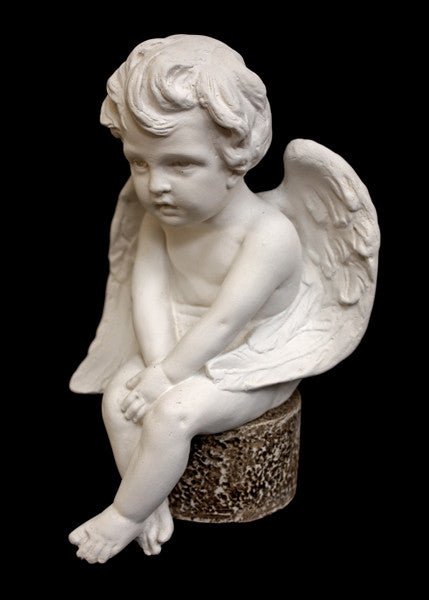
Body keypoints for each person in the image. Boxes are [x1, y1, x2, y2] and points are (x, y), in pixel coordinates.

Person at [69, 34, 302, 563]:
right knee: (118, 400)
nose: (156, 186)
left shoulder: (268, 235)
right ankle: (148, 504)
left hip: (251, 361)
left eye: (181, 164)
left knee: (172, 414)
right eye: (139, 163)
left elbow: (225, 321)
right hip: (175, 348)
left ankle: (122, 514)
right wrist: (157, 367)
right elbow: (147, 295)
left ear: (237, 155)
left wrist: (168, 378)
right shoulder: (158, 221)